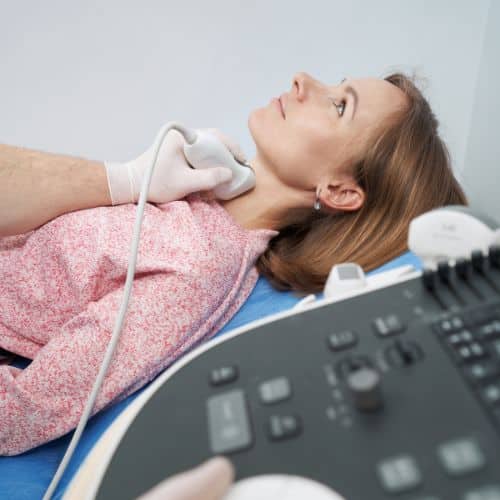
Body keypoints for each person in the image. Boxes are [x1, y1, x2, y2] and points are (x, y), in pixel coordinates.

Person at [0, 70, 466, 461]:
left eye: (339, 105)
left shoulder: (200, 268)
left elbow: (21, 415)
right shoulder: (187, 187)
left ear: (340, 190)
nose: (304, 80)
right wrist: (127, 179)